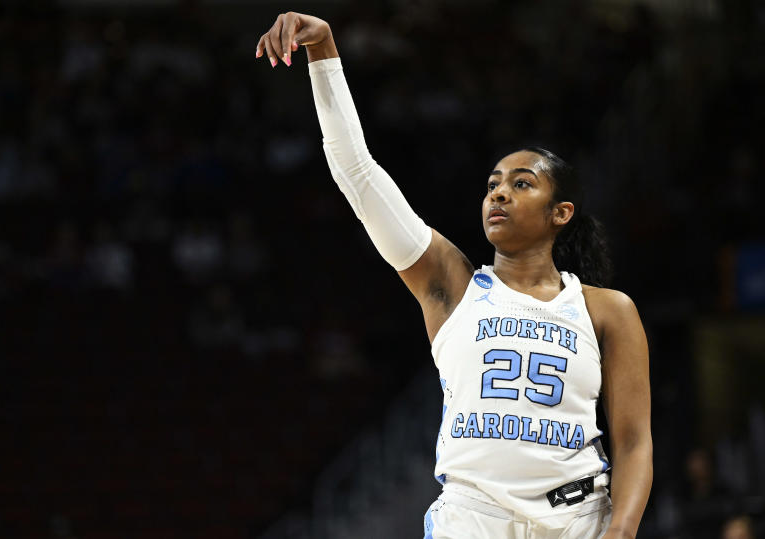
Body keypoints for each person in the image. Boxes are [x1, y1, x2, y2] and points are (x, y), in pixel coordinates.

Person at [255, 12, 653, 539]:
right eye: (493, 183)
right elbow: (356, 172)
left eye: (522, 183)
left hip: (578, 519)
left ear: (561, 212)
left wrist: (621, 532)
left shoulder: (607, 309)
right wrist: (324, 51)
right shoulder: (451, 284)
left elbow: (633, 442)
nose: (499, 192)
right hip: (471, 520)